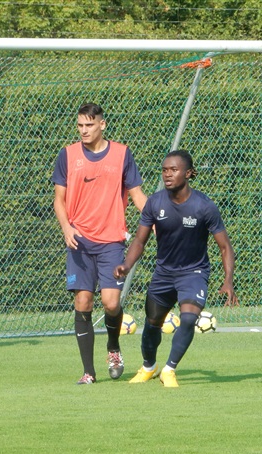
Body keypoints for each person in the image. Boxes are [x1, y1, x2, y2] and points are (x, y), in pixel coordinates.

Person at [114, 150, 239, 388]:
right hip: (164, 273)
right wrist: (126, 265)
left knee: (189, 318)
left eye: (174, 170)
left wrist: (228, 280)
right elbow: (140, 241)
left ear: (189, 173)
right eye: (164, 170)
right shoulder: (155, 202)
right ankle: (149, 367)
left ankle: (169, 369)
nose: (167, 174)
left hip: (194, 273)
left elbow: (225, 247)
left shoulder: (204, 206)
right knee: (152, 322)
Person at [52, 102, 147, 384]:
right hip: (79, 240)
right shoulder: (68, 155)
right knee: (82, 301)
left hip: (111, 241)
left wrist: (157, 218)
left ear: (102, 125)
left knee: (111, 302)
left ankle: (114, 347)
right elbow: (59, 199)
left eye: (89, 125)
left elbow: (137, 194)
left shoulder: (122, 154)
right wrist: (66, 227)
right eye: (80, 125)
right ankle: (88, 372)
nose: (84, 130)